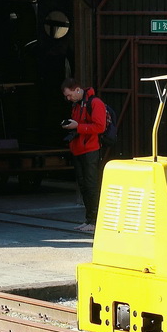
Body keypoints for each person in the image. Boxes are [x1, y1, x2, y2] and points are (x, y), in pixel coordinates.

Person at [61, 78, 107, 233]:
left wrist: (78, 127)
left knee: (91, 185)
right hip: (79, 149)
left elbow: (100, 127)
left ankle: (95, 220)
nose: (68, 98)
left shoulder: (95, 103)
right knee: (84, 186)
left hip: (90, 149)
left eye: (69, 95)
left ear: (77, 89)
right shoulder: (77, 104)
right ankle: (89, 220)